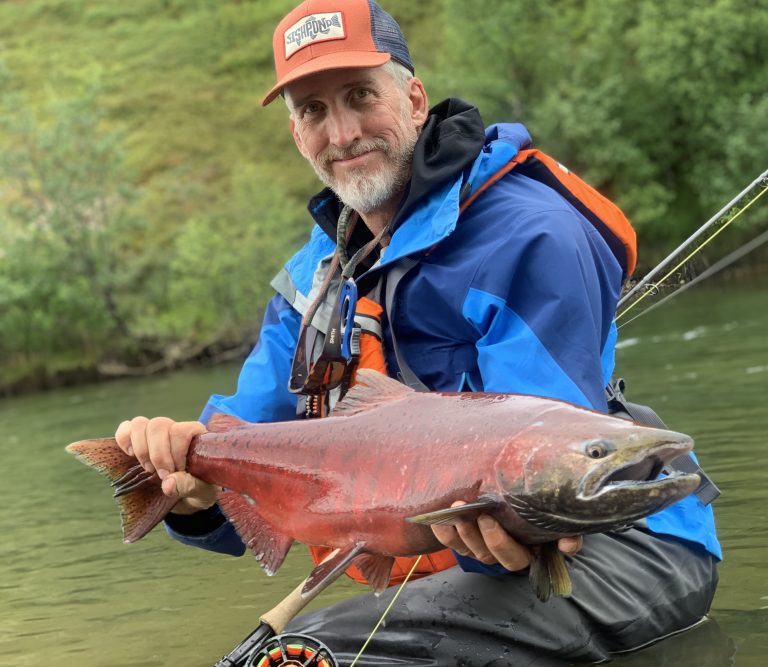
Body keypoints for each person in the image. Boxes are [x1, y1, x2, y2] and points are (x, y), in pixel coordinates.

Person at [114, 1, 721, 664]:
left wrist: (491, 522)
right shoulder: (307, 287)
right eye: (313, 111)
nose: (342, 132)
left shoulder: (532, 234)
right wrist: (189, 492)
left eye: (359, 95)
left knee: (305, 659)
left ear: (414, 98)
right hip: (459, 578)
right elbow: (244, 457)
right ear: (297, 136)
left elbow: (542, 482)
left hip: (622, 548)